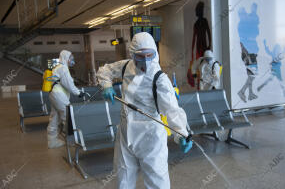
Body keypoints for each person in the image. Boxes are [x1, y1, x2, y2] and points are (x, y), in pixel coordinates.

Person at [96, 32, 192, 189]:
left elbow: (172, 109)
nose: (146, 61)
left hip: (151, 136)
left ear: (155, 53)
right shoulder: (127, 66)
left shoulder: (159, 78)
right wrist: (106, 85)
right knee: (123, 179)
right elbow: (104, 71)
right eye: (140, 56)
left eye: (150, 55)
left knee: (157, 181)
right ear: (132, 54)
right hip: (126, 133)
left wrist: (181, 133)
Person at [47, 50, 84, 149]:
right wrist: (78, 93)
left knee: (54, 117)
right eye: (70, 58)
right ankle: (72, 141)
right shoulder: (63, 68)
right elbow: (68, 84)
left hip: (53, 94)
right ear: (65, 57)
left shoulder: (58, 67)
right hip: (59, 95)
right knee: (68, 118)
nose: (72, 60)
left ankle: (52, 141)